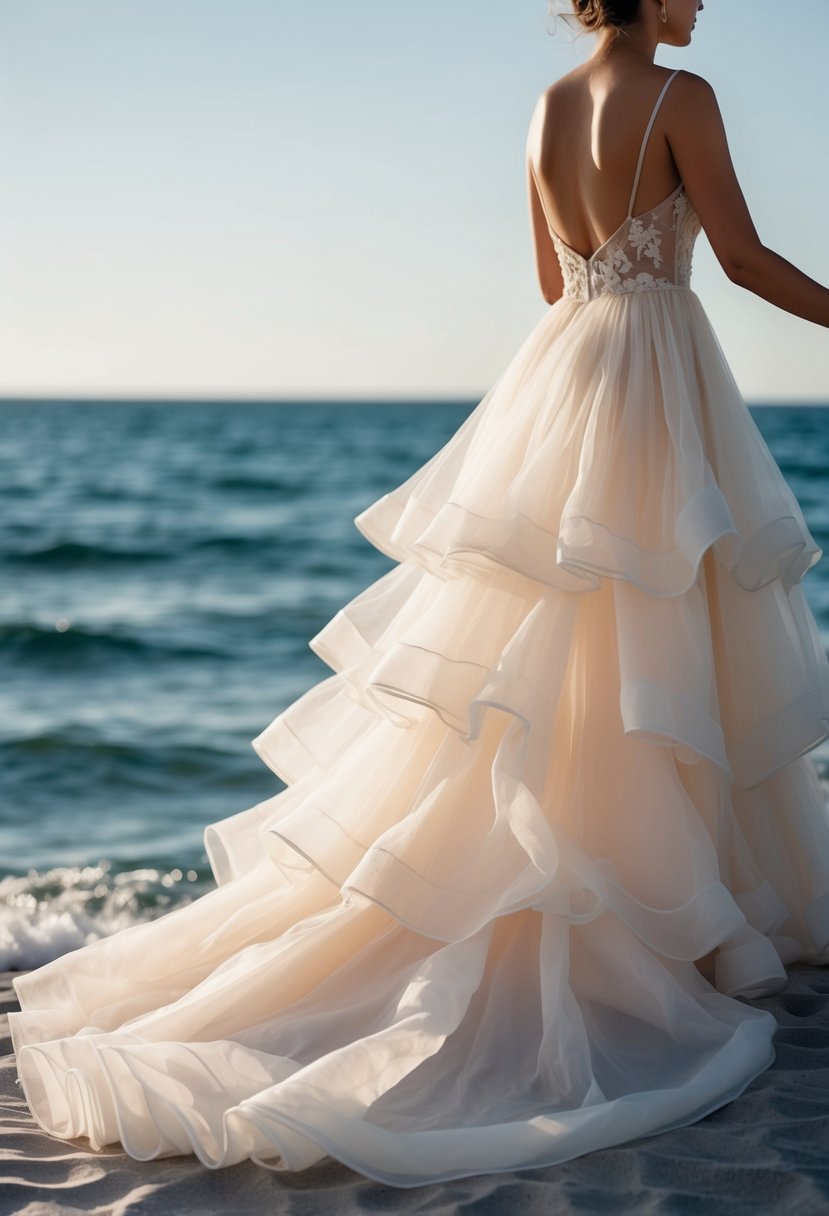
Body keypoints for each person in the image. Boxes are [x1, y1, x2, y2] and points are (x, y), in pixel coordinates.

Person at [9, 0, 829, 1189]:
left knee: (570, 633)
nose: (705, 4)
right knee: (659, 626)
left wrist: (616, 287)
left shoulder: (547, 110)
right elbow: (744, 260)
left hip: (564, 381)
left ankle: (661, 890)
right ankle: (687, 910)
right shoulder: (680, 99)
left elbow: (553, 278)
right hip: (654, 374)